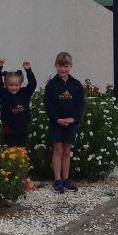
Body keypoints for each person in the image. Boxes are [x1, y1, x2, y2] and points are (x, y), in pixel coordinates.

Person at [43, 51, 85, 193]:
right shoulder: (51, 85)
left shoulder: (76, 85)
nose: (63, 69)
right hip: (56, 123)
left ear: (70, 66)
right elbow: (48, 104)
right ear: (56, 66)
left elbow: (80, 104)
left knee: (67, 151)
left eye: (66, 66)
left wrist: (73, 118)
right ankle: (57, 180)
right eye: (60, 66)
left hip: (71, 124)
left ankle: (66, 179)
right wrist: (57, 119)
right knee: (58, 150)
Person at [0, 58, 36, 148]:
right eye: (11, 85)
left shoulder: (25, 93)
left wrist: (28, 70)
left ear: (20, 84)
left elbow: (33, 84)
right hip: (8, 130)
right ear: (6, 84)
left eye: (16, 85)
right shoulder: (3, 94)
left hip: (22, 129)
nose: (14, 87)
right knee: (10, 152)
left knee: (21, 151)